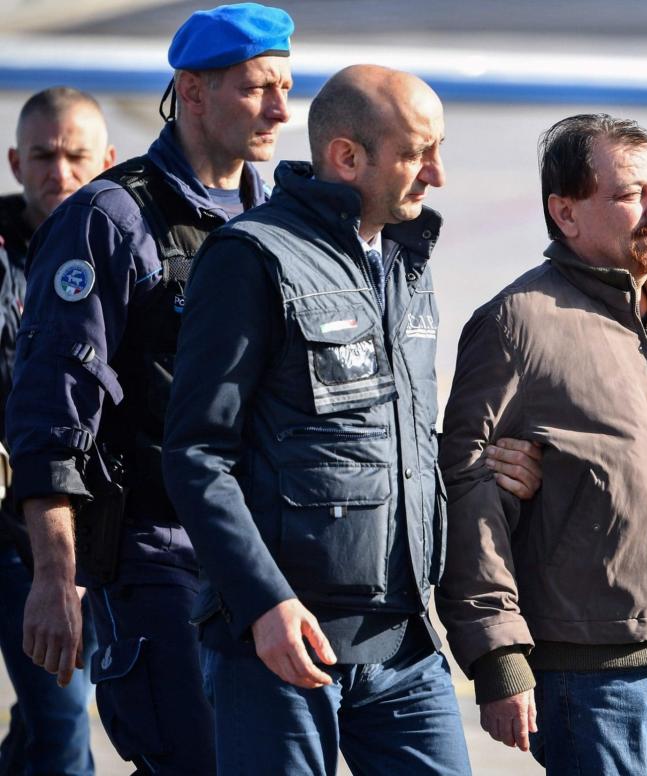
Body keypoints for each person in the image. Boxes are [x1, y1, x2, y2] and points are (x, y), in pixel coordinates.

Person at [161, 64, 542, 775]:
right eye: (416, 153)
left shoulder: (405, 260)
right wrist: (263, 602)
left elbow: (399, 439)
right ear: (345, 157)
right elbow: (196, 455)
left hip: (403, 642)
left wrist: (493, 466)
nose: (437, 174)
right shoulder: (252, 259)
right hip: (282, 644)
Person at [6, 5, 296, 772]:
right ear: (192, 93)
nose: (279, 109)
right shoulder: (110, 217)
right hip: (154, 559)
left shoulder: (274, 221)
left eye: (284, 87)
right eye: (255, 88)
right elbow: (54, 408)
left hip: (255, 558)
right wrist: (53, 576)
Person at [437, 114, 647, 776]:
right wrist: (498, 657)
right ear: (564, 213)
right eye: (630, 194)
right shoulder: (517, 322)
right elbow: (468, 493)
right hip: (590, 682)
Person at [0, 85, 115, 776]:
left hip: (97, 525)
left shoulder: (128, 246)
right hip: (21, 530)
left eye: (76, 157)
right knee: (63, 722)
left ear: (106, 160)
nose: (60, 173)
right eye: (43, 155)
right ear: (16, 161)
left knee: (53, 719)